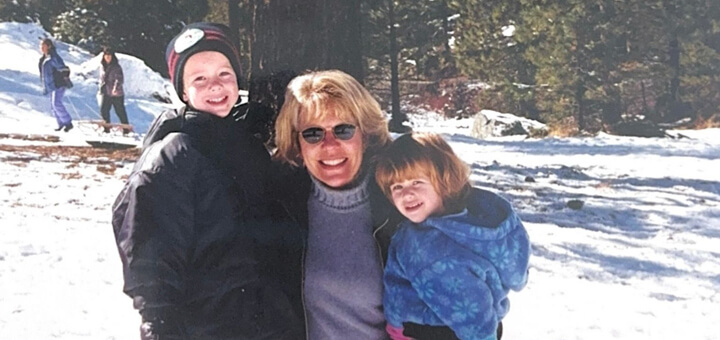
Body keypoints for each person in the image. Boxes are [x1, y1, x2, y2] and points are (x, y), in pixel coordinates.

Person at [111, 22, 301, 340]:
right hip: (206, 327)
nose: (215, 86)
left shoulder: (249, 148)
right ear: (184, 92)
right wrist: (158, 323)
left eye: (224, 74)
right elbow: (150, 255)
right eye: (200, 79)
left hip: (263, 323)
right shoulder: (173, 156)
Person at [273, 70, 456, 340]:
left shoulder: (406, 203)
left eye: (344, 130)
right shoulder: (279, 206)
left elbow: (471, 300)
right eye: (313, 134)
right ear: (297, 144)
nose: (330, 145)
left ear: (366, 135)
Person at [375, 132, 531, 340]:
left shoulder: (428, 249)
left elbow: (471, 314)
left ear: (443, 179)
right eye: (397, 187)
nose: (407, 194)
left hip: (424, 330)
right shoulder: (483, 222)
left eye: (416, 182)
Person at [38, 38, 73, 132]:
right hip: (50, 85)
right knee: (53, 106)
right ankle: (61, 123)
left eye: (43, 46)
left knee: (56, 103)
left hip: (58, 83)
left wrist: (64, 77)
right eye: (41, 46)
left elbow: (63, 68)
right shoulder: (43, 58)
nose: (41, 48)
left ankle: (68, 122)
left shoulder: (53, 57)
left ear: (49, 46)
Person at [98, 47, 130, 133]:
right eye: (106, 55)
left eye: (109, 55)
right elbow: (102, 78)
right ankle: (106, 127)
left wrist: (115, 88)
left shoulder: (116, 67)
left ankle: (126, 128)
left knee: (119, 111)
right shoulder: (102, 66)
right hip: (106, 91)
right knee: (104, 110)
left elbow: (119, 79)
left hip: (116, 93)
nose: (107, 57)